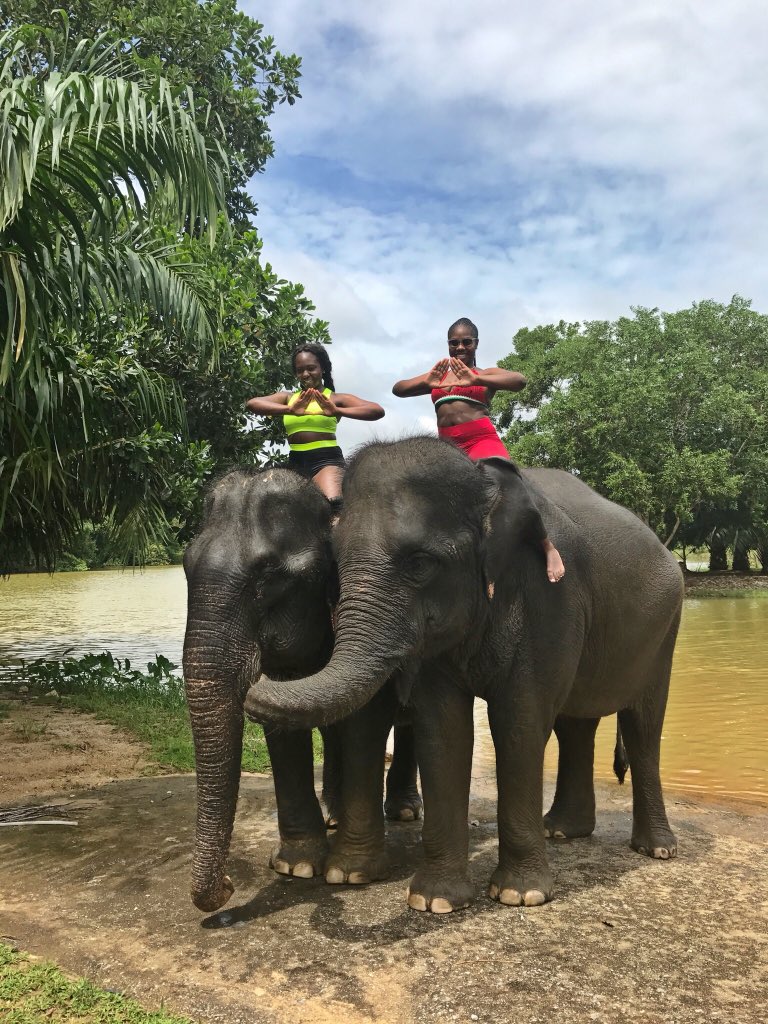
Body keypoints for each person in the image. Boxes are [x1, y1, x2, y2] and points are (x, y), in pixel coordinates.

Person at [392, 317, 565, 582]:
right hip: (449, 445)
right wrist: (428, 381)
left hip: (480, 438)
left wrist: (476, 377)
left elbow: (519, 380)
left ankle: (547, 546)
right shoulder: (438, 376)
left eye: (466, 342)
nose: (460, 347)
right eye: (454, 342)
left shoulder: (485, 374)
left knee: (509, 483)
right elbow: (398, 389)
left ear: (476, 343)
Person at [246, 343, 384, 510]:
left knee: (333, 508)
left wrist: (336, 410)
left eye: (311, 368)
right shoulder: (288, 398)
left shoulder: (334, 398)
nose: (305, 374)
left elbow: (376, 410)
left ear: (323, 368)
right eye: (300, 370)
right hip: (296, 461)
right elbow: (253, 404)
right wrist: (290, 409)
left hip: (326, 460)